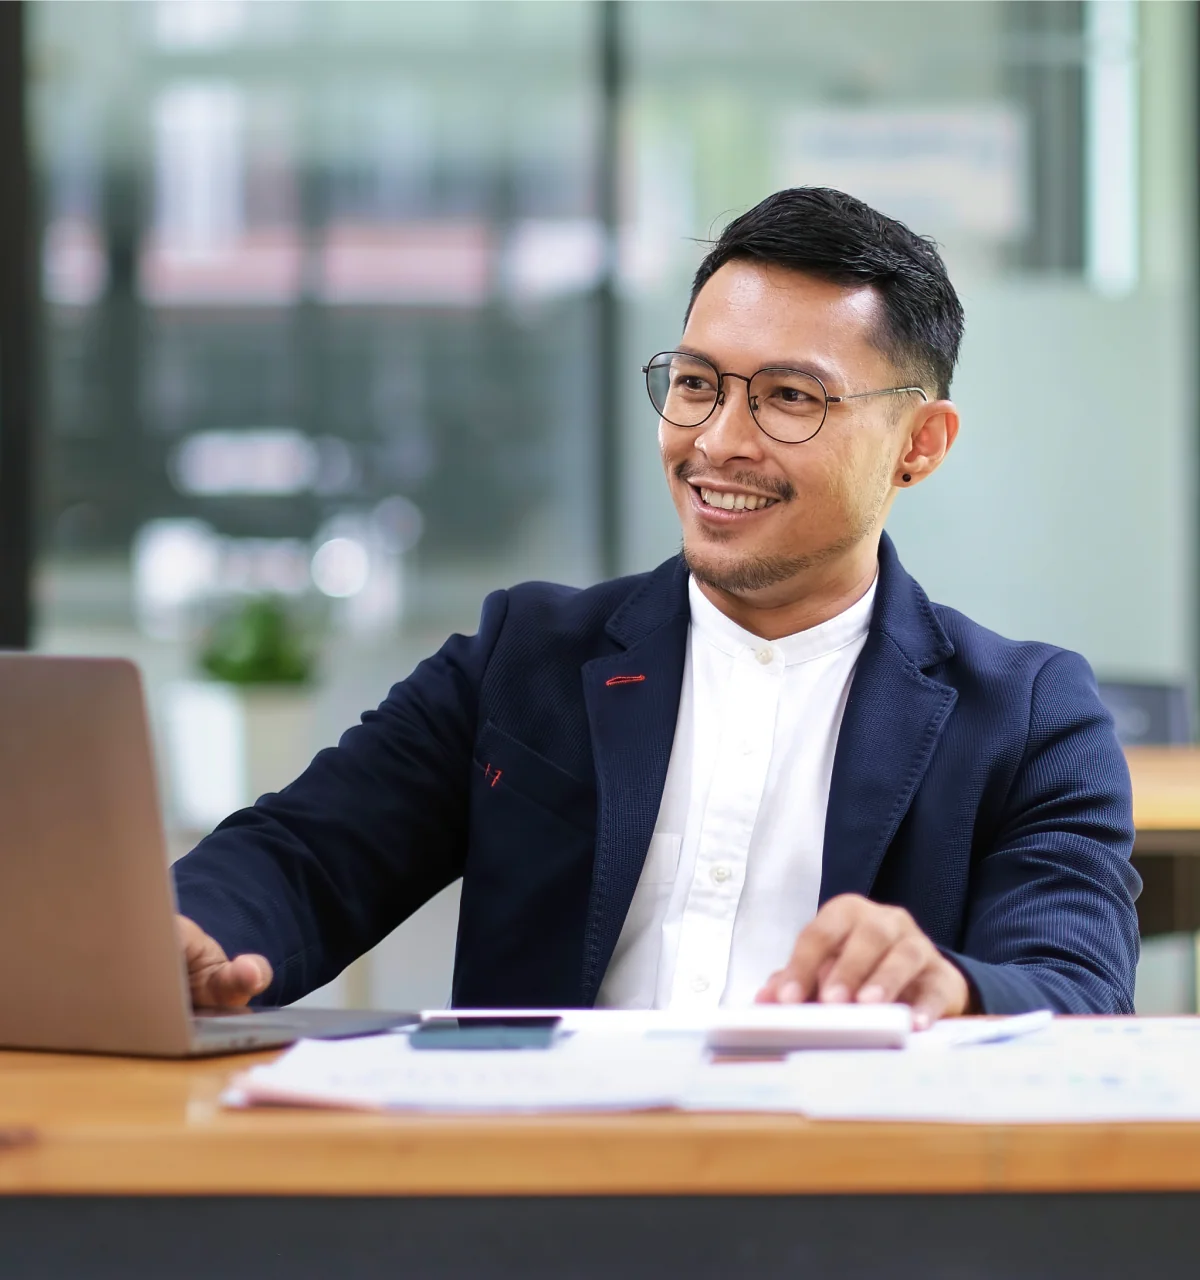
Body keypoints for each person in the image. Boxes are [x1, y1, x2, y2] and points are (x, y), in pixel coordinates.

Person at [173, 187, 1140, 1026]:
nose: (718, 442)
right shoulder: (527, 657)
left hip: (851, 1202)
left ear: (920, 445)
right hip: (546, 1185)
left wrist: (950, 990)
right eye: (696, 385)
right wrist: (187, 938)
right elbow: (305, 852)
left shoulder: (1025, 715)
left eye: (791, 398)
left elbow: (1077, 988)